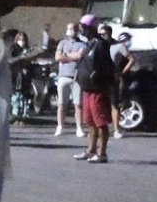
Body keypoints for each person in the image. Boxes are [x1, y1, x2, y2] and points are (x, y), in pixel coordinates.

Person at [74, 15, 115, 163]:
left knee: (100, 122)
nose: (82, 31)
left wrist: (98, 78)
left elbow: (106, 67)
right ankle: (90, 150)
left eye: (83, 28)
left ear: (91, 28)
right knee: (90, 121)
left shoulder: (101, 44)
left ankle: (102, 153)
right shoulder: (89, 44)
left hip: (98, 89)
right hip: (87, 88)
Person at [54, 22, 87, 136]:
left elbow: (80, 56)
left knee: (77, 104)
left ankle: (79, 128)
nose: (69, 30)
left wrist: (66, 56)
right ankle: (60, 126)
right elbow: (57, 57)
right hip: (63, 76)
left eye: (72, 28)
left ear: (77, 30)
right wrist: (71, 56)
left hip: (76, 77)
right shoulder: (62, 43)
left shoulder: (82, 44)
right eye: (68, 28)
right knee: (61, 104)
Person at [108, 30, 136, 139]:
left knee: (116, 103)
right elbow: (132, 60)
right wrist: (123, 71)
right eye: (129, 39)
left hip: (112, 77)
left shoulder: (112, 47)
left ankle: (116, 127)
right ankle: (116, 129)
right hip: (117, 77)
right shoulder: (121, 47)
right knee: (117, 103)